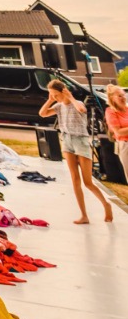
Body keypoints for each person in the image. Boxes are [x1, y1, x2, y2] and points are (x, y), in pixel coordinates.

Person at [39, 79, 113, 224]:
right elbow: (42, 114)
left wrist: (70, 97)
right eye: (52, 95)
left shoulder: (77, 103)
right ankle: (84, 215)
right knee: (75, 179)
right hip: (67, 140)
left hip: (81, 141)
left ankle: (106, 204)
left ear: (63, 92)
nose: (54, 97)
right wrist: (49, 100)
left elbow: (82, 110)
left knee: (87, 182)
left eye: (55, 94)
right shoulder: (58, 106)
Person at [104, 84, 128, 180]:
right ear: (112, 98)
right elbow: (118, 132)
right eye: (119, 96)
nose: (123, 98)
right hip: (125, 145)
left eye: (123, 95)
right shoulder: (110, 111)